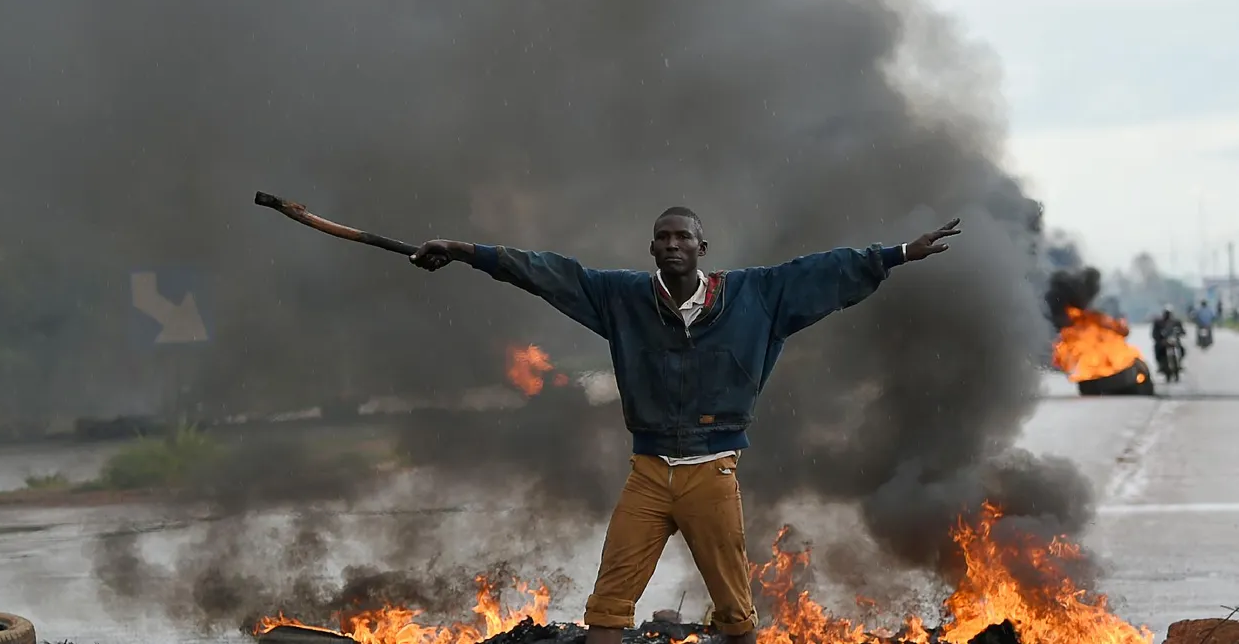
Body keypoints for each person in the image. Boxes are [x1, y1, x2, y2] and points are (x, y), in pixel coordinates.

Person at [409, 208, 961, 644]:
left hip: (711, 473)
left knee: (735, 609)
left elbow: (826, 270)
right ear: (652, 248)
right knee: (607, 603)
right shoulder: (621, 297)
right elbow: (545, 273)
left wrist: (897, 254)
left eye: (683, 237)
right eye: (663, 237)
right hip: (647, 474)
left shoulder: (756, 296)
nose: (673, 244)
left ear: (702, 248)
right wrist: (462, 251)